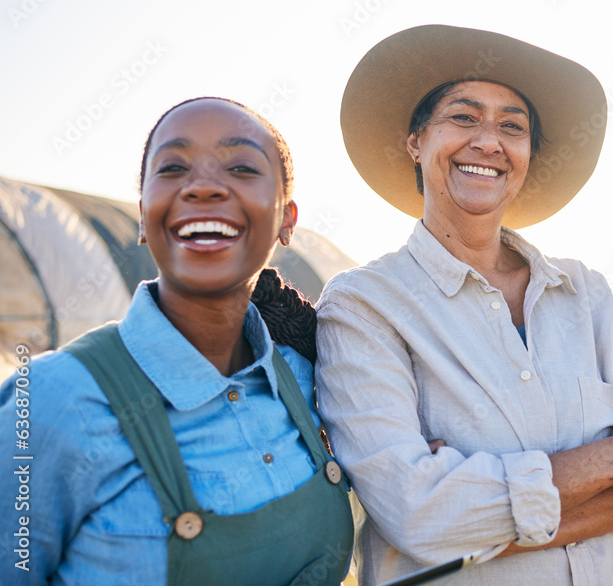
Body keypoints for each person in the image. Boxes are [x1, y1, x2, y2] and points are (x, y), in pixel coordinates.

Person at [316, 25, 613, 585]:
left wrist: (479, 529)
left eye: (512, 127)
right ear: (416, 142)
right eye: (463, 117)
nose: (488, 141)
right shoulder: (364, 306)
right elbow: (416, 513)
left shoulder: (585, 294)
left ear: (526, 154)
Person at [0, 97, 353, 585]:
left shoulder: (305, 374)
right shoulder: (51, 401)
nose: (204, 186)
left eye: (242, 167)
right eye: (173, 167)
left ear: (287, 219)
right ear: (144, 215)